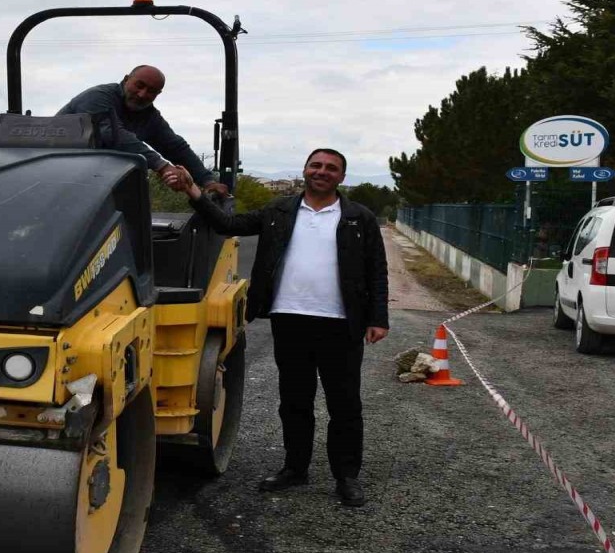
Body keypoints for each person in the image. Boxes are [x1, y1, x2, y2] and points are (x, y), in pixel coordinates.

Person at [167, 149, 389, 506]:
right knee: (294, 401)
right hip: (290, 319)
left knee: (345, 405)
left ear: (341, 178)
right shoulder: (279, 211)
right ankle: (295, 468)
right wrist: (194, 191)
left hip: (341, 324)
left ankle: (346, 476)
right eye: (316, 165)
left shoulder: (358, 218)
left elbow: (377, 270)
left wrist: (378, 318)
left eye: (331, 168)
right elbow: (229, 225)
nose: (322, 172)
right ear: (305, 170)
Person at [59, 65, 231, 197]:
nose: (142, 94)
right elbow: (112, 134)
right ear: (126, 79)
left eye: (151, 91)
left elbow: (175, 147)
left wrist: (207, 181)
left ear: (158, 94)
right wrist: (163, 166)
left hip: (98, 182)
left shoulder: (149, 116)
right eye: (139, 86)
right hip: (58, 176)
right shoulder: (98, 97)